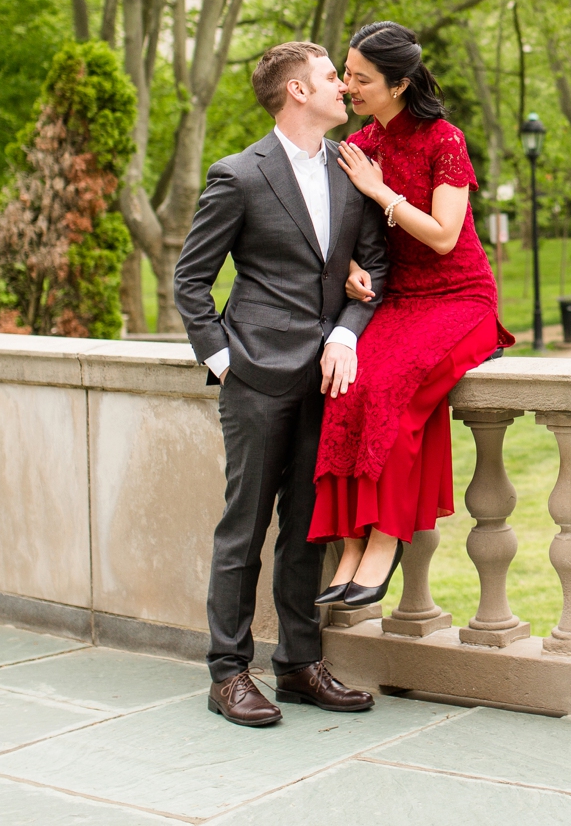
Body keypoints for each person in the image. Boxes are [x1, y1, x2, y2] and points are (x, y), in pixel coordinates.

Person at [173, 42, 388, 727]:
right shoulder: (238, 175)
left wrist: (348, 331)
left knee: (305, 530)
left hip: (328, 382)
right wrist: (224, 361)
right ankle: (227, 672)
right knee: (244, 528)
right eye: (332, 77)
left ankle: (298, 665)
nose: (342, 88)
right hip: (255, 378)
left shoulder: (352, 171)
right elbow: (191, 280)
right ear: (297, 91)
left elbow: (373, 270)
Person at [310, 21, 513, 603]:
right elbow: (347, 234)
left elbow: (446, 236)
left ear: (398, 85)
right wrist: (351, 266)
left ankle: (385, 538)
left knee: (395, 388)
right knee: (346, 385)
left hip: (460, 297)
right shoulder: (361, 146)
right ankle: (350, 539)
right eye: (346, 74)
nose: (348, 87)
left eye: (361, 78)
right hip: (399, 300)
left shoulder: (443, 139)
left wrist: (380, 192)